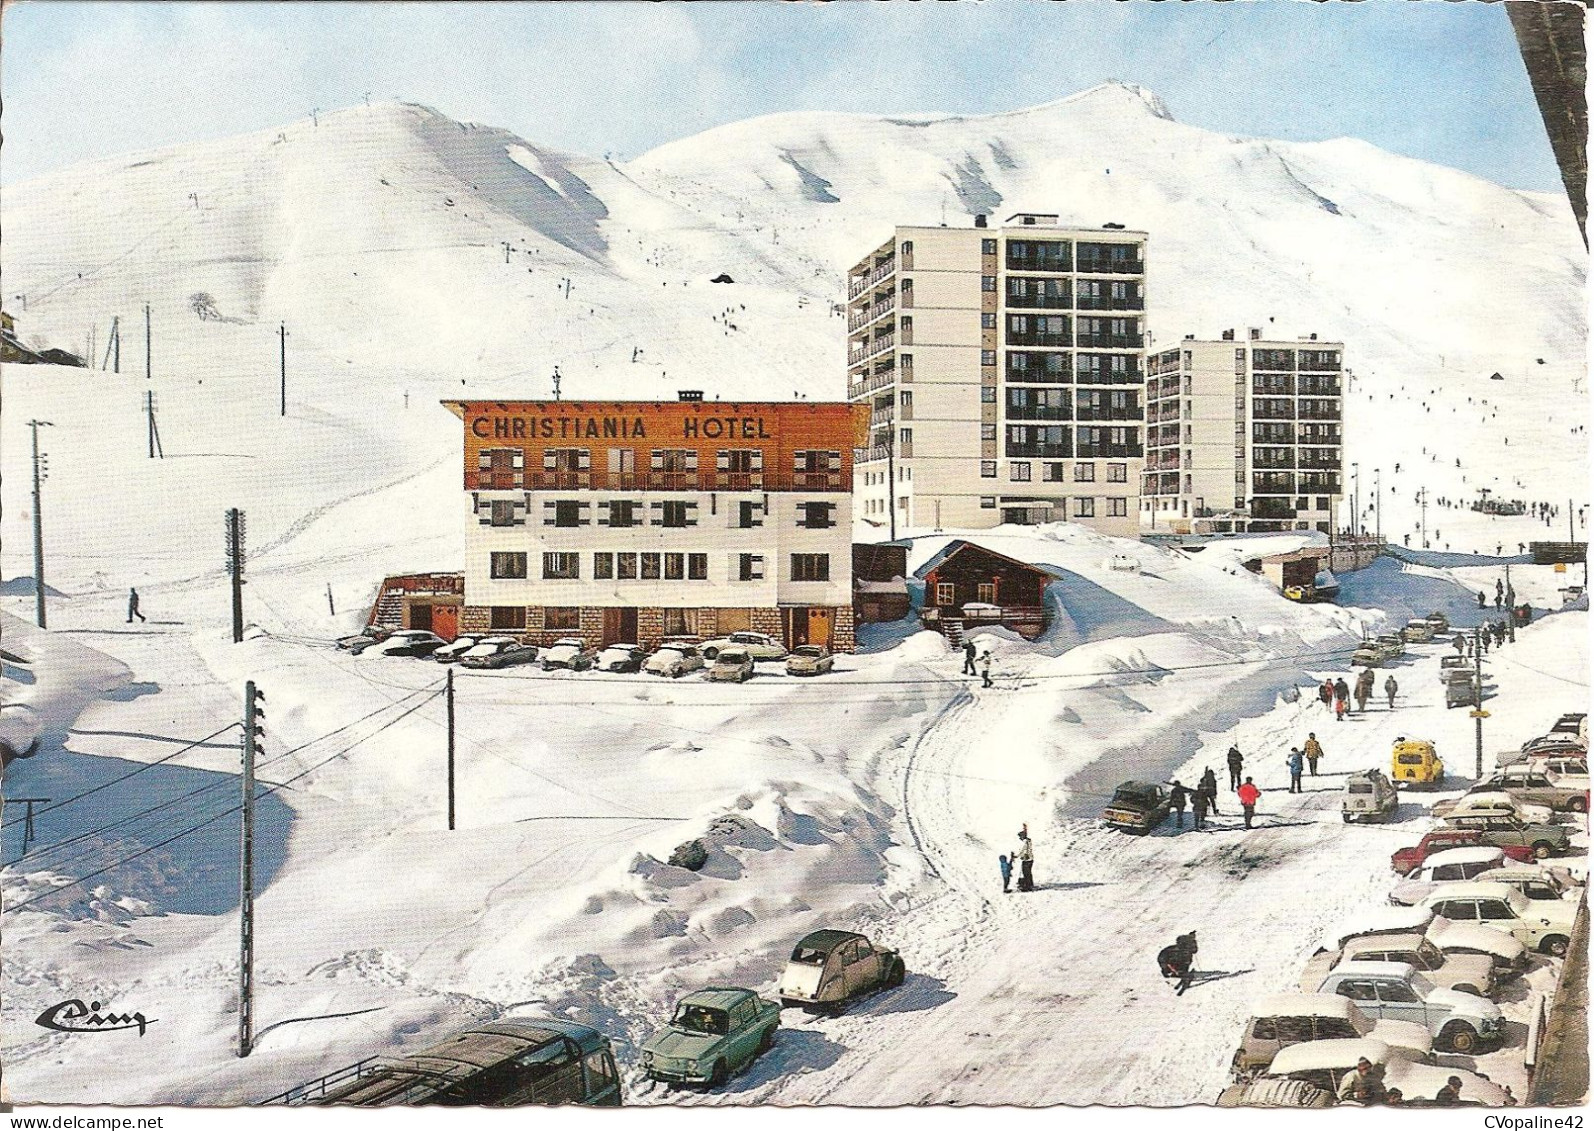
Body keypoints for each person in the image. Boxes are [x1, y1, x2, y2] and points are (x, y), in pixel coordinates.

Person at [1156, 932, 1198, 996]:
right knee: (1181, 964)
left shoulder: (1184, 951)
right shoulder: (1171, 951)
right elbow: (1163, 960)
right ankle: (1182, 975)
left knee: (1185, 963)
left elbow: (1194, 951)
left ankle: (1184, 976)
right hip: (1171, 963)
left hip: (1178, 962)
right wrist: (1172, 970)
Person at [1014, 826, 1034, 892]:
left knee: (1025, 873)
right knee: (1028, 872)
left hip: (1026, 859)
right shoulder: (1029, 841)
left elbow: (1022, 851)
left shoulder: (1025, 842)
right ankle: (1030, 884)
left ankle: (1026, 886)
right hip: (1031, 859)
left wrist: (1016, 856)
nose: (1020, 838)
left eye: (1020, 837)